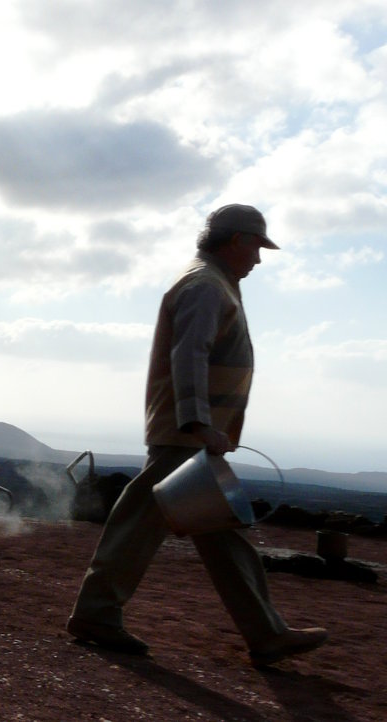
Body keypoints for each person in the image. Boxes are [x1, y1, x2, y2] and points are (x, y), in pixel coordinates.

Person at [66, 203, 327, 667]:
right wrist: (198, 422)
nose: (259, 260)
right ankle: (97, 614)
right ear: (235, 241)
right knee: (144, 520)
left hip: (193, 433)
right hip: (187, 435)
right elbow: (190, 355)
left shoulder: (213, 281)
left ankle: (265, 632)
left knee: (220, 529)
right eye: (256, 247)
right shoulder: (206, 285)